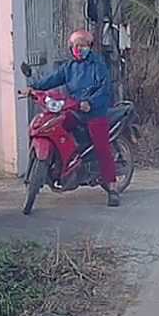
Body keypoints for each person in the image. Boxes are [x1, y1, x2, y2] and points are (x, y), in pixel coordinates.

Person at [27, 28, 120, 206]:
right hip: (74, 109)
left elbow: (104, 89)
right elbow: (53, 79)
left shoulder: (98, 65)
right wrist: (34, 87)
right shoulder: (69, 67)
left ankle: (113, 186)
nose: (79, 49)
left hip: (95, 112)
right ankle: (65, 165)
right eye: (75, 45)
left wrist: (90, 103)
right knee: (56, 127)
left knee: (102, 148)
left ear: (90, 46)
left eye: (83, 45)